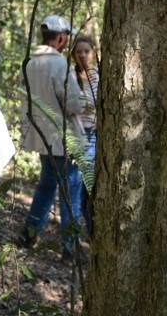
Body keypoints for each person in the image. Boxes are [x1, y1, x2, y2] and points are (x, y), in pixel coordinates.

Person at [18, 14, 84, 259]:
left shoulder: (29, 61)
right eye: (66, 37)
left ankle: (30, 232)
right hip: (62, 138)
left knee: (46, 185)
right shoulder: (59, 64)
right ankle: (71, 245)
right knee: (71, 191)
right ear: (60, 37)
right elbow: (72, 104)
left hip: (41, 136)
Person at [71, 34, 98, 236]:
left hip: (96, 135)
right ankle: (79, 228)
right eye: (78, 51)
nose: (82, 55)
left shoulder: (98, 76)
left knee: (93, 186)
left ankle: (91, 229)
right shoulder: (70, 78)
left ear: (93, 53)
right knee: (81, 185)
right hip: (78, 134)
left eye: (86, 51)